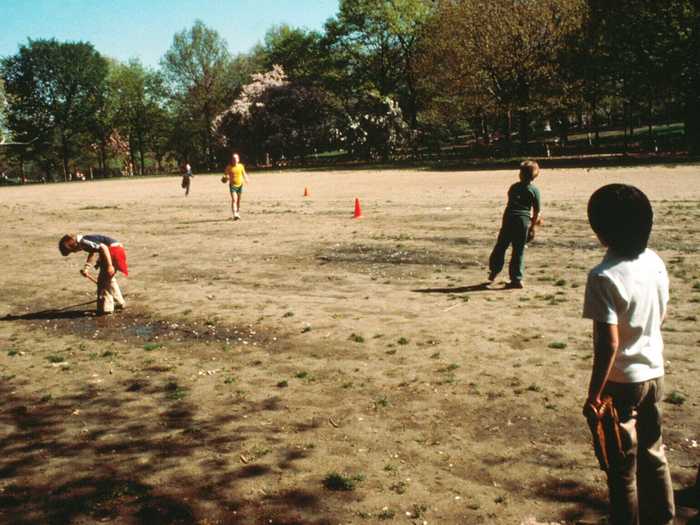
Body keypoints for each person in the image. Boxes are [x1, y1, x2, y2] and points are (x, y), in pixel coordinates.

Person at [582, 184, 674, 525]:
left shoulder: (603, 277)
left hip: (622, 382)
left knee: (621, 469)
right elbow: (661, 315)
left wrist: (594, 395)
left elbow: (608, 345)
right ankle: (664, 518)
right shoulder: (654, 262)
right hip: (654, 374)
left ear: (601, 232)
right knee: (654, 453)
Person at [487, 160, 541, 288]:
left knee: (501, 246)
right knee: (519, 250)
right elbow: (536, 210)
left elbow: (511, 204)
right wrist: (533, 226)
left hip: (510, 218)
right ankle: (517, 278)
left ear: (520, 174)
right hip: (523, 221)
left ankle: (494, 271)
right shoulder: (534, 190)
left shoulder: (514, 187)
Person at [59, 234, 128, 315]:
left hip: (113, 251)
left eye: (73, 250)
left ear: (73, 243)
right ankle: (120, 303)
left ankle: (107, 309)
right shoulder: (84, 242)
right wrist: (87, 267)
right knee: (109, 280)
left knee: (103, 282)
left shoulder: (84, 242)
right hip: (115, 249)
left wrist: (109, 265)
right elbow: (92, 252)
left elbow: (104, 248)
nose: (75, 252)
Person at [223, 153, 250, 220]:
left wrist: (246, 179)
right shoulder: (228, 167)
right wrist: (226, 178)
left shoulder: (241, 166)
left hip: (240, 185)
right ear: (231, 160)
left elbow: (244, 173)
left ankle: (237, 213)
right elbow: (224, 177)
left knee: (238, 200)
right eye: (233, 159)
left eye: (236, 158)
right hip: (232, 186)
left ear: (238, 159)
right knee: (234, 199)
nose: (234, 160)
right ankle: (235, 213)